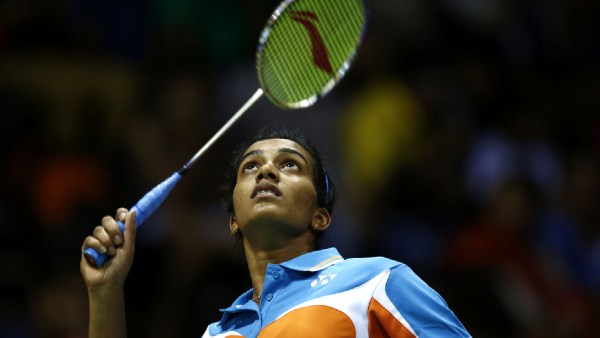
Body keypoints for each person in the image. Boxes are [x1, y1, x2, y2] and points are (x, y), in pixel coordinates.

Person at [81, 126, 470, 337]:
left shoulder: (375, 281)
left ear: (320, 217)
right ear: (233, 218)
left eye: (290, 165)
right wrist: (105, 294)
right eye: (250, 167)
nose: (266, 171)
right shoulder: (218, 334)